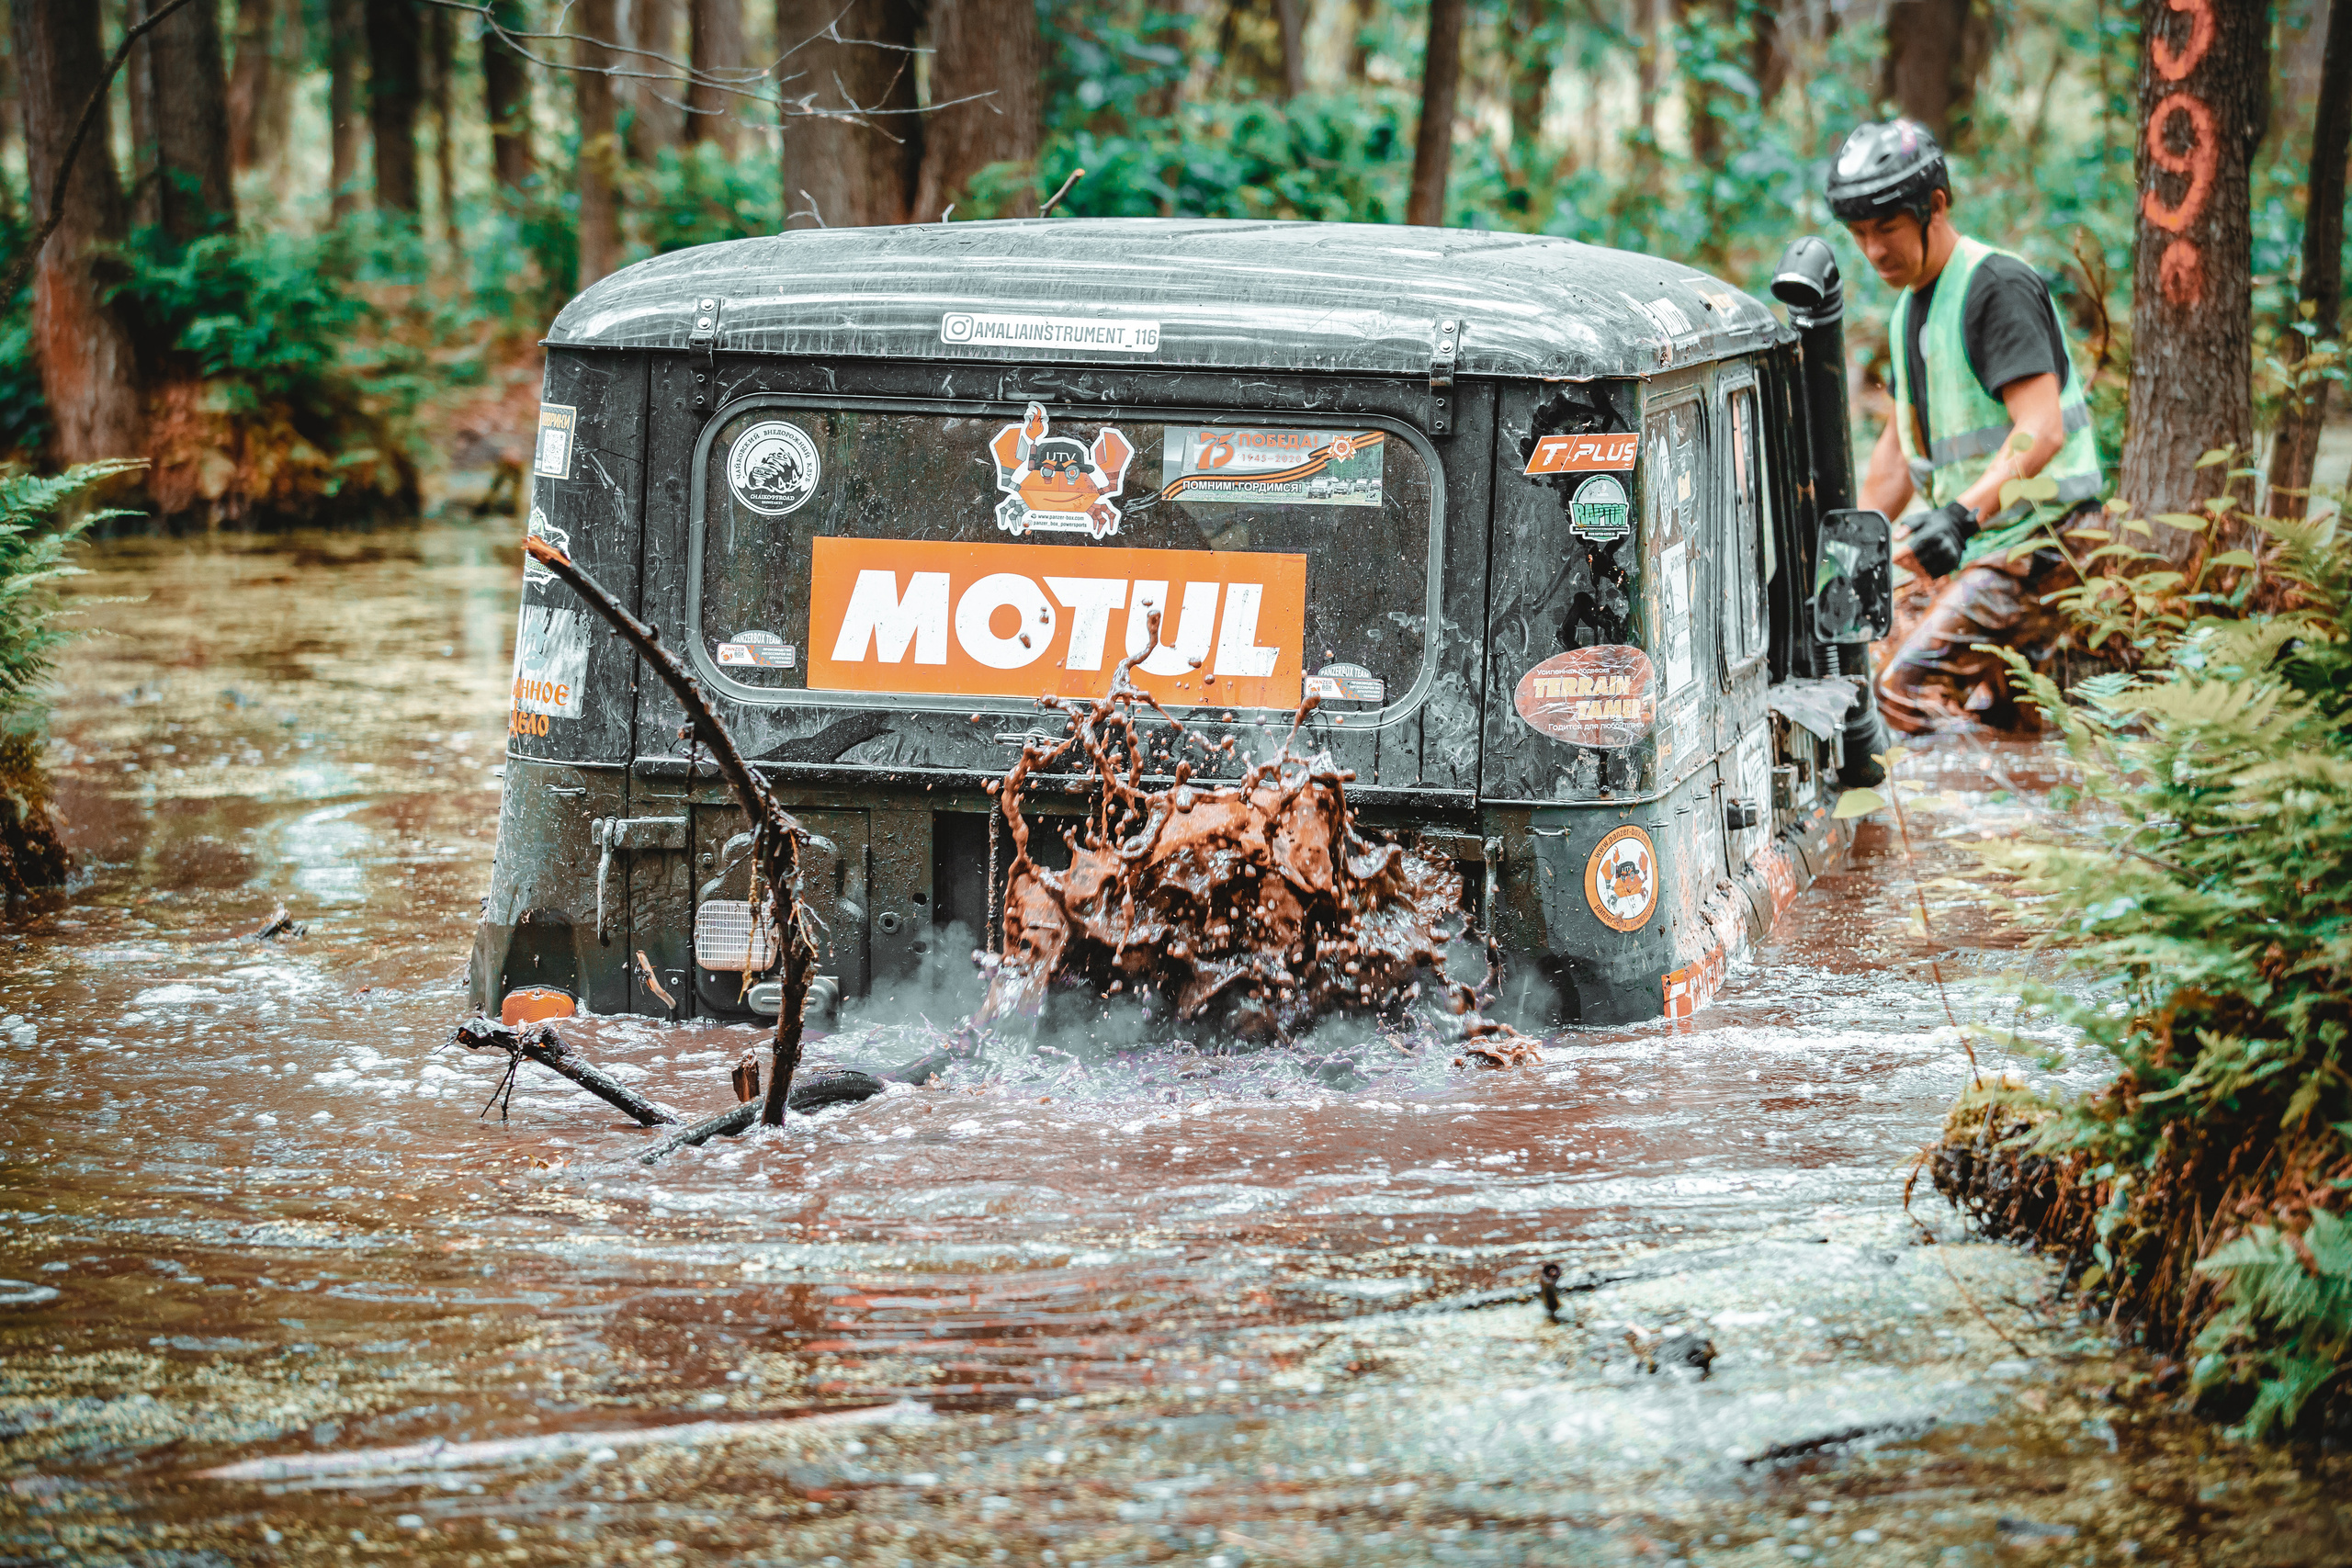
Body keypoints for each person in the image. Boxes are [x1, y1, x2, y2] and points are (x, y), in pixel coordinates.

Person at [1826, 119, 2105, 732]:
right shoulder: (1908, 312)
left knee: (1899, 690)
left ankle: (1923, 826)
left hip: (2047, 544)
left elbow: (2043, 428)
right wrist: (1845, 565)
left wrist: (1961, 514)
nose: (1874, 251)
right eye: (1860, 233)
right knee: (2016, 723)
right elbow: (1896, 460)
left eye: (1888, 228)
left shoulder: (1996, 288)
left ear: (1937, 206)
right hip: (1992, 549)